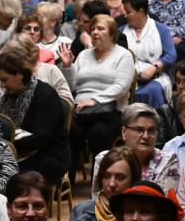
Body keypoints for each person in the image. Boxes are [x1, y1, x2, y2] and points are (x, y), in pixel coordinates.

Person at [58, 13, 135, 160]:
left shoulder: (123, 55)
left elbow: (122, 86)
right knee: (70, 130)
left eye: (100, 29)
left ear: (112, 34)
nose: (94, 32)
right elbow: (71, 86)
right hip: (81, 110)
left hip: (112, 110)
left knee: (98, 131)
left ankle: (100, 179)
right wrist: (67, 67)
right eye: (92, 29)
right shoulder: (84, 55)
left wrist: (95, 100)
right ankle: (68, 180)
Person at [0, 46, 70, 186]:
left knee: (4, 175)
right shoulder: (10, 95)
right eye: (0, 80)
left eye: (5, 80)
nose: (2, 85)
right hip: (20, 152)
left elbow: (41, 138)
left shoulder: (45, 94)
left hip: (50, 157)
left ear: (20, 74)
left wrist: (6, 150)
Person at [91, 104, 180, 195]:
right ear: (124, 132)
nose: (146, 136)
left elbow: (163, 205)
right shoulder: (103, 159)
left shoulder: (168, 161)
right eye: (138, 130)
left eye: (151, 130)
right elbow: (98, 202)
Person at [121, 0, 176, 107]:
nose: (125, 15)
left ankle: (157, 124)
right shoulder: (122, 32)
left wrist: (154, 67)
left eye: (128, 12)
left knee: (152, 92)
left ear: (140, 11)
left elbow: (171, 55)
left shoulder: (160, 29)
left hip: (155, 77)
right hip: (127, 78)